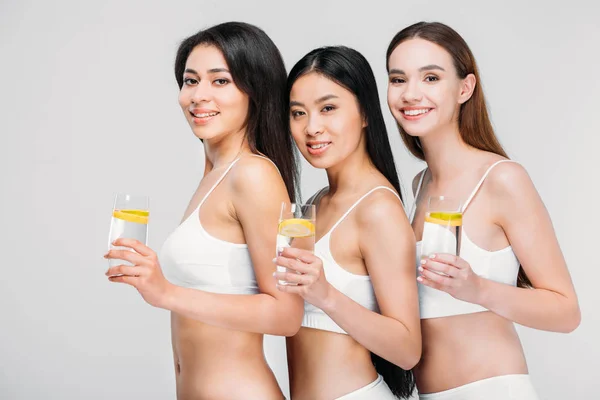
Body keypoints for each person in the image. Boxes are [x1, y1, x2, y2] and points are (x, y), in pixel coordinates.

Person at [104, 22, 303, 400]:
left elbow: (286, 314)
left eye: (220, 81)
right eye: (190, 81)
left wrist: (164, 292)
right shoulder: (214, 172)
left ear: (254, 90)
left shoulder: (254, 174)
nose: (198, 95)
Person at [386, 21, 581, 399]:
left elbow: (566, 311)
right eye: (398, 80)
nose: (411, 94)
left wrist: (476, 288)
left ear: (464, 88)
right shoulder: (419, 185)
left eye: (430, 78)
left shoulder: (502, 179)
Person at [275, 46, 421, 400]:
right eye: (298, 113)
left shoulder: (377, 210)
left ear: (366, 112)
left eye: (328, 108)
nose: (312, 127)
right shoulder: (311, 204)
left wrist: (325, 295)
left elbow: (407, 349)